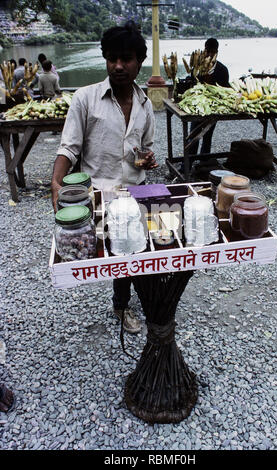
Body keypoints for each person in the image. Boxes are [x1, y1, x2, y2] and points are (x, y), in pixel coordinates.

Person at [51, 21, 158, 334]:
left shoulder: (145, 104)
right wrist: (56, 183)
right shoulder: (85, 99)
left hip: (135, 191)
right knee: (119, 254)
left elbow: (140, 152)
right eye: (112, 59)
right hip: (99, 193)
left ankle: (141, 300)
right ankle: (122, 305)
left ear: (139, 62)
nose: (118, 66)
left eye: (126, 59)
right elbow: (69, 148)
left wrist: (145, 159)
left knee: (138, 247)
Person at [187, 38, 229, 169]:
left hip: (213, 108)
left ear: (217, 52)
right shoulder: (198, 67)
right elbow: (191, 83)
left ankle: (203, 163)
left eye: (212, 51)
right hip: (198, 108)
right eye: (207, 51)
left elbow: (225, 89)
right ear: (204, 50)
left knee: (207, 135)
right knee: (193, 135)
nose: (209, 54)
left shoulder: (222, 70)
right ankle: (187, 164)